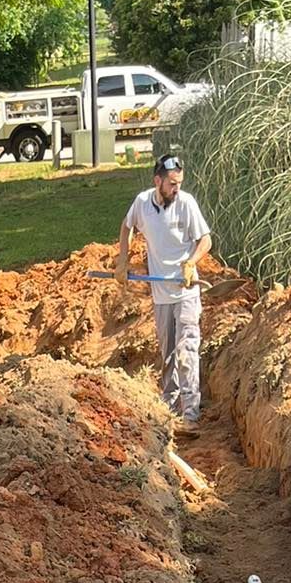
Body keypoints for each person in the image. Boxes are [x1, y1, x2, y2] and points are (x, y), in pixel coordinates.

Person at [115, 153, 212, 427]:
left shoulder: (186, 204)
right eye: (171, 183)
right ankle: (169, 409)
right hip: (161, 294)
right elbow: (126, 226)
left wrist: (191, 263)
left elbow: (205, 241)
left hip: (185, 292)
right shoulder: (142, 203)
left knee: (186, 351)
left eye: (179, 182)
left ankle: (190, 415)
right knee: (168, 353)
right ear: (157, 181)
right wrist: (123, 259)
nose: (176, 188)